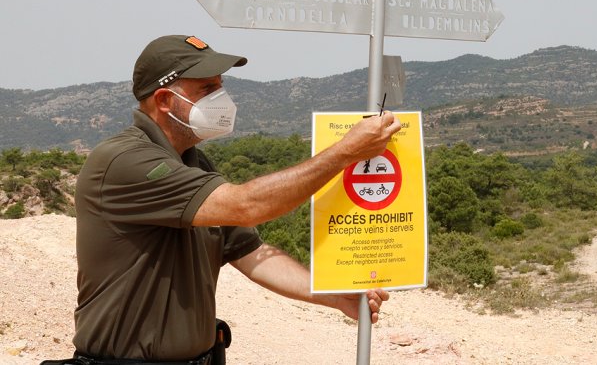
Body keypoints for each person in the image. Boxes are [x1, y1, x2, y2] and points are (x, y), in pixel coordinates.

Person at [67, 35, 401, 364]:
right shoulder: (125, 162)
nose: (221, 98)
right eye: (207, 89)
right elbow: (247, 206)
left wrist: (333, 295)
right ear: (165, 100)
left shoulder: (192, 163)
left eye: (220, 86)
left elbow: (252, 255)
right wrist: (346, 152)